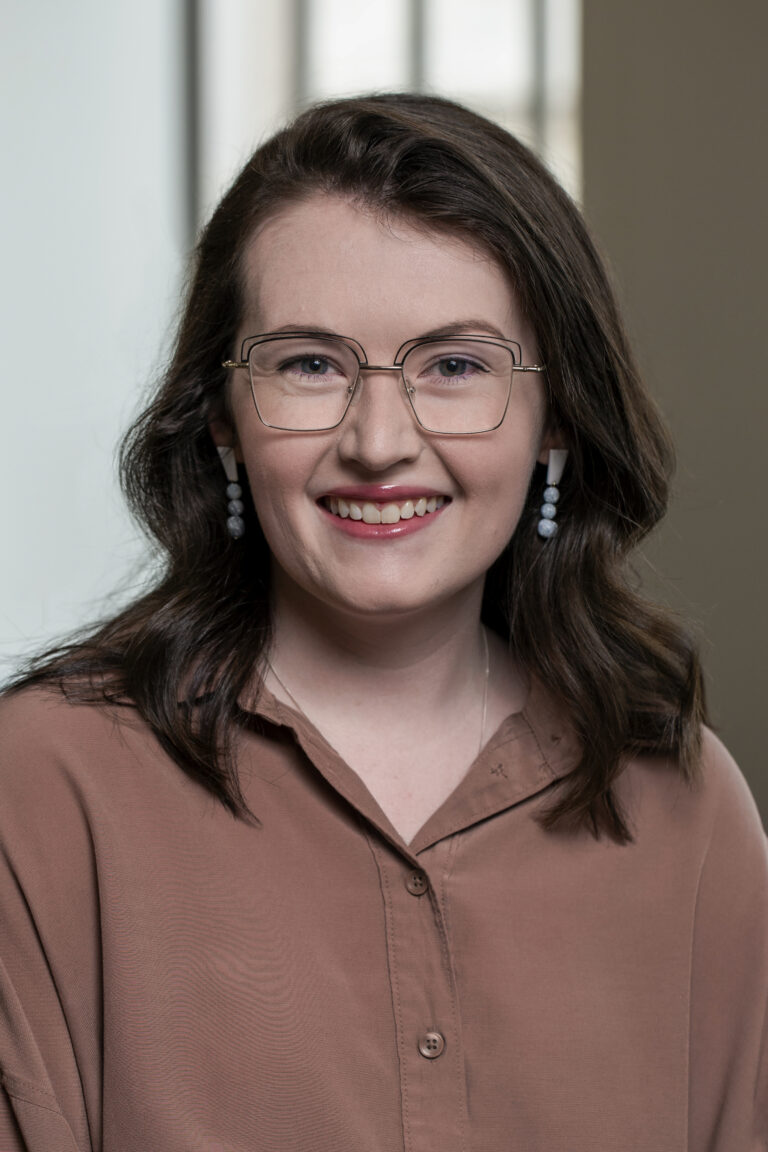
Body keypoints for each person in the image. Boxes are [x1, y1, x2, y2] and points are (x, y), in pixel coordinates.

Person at [1, 93, 766, 1151]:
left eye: (455, 366)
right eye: (310, 364)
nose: (378, 441)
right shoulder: (42, 784)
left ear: (556, 426)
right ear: (224, 421)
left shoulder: (687, 813)